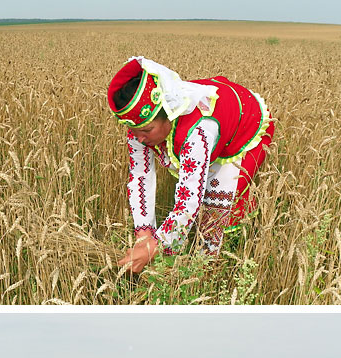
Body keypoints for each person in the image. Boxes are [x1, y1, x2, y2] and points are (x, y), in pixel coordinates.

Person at [107, 58, 274, 268]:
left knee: (215, 219)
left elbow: (189, 199)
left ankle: (211, 270)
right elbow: (140, 177)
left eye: (147, 131)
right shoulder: (140, 128)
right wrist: (144, 234)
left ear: (170, 114)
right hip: (211, 129)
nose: (139, 138)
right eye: (134, 132)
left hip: (244, 126)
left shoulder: (198, 131)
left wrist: (156, 247)